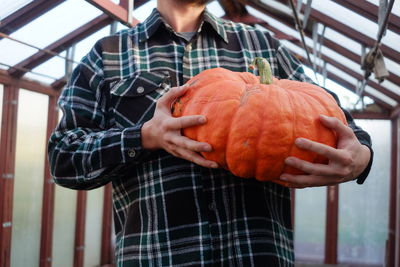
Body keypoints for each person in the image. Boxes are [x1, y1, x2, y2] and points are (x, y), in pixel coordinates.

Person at [48, 0, 373, 265]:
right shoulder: (109, 54)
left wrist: (360, 157)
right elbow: (64, 157)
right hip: (157, 258)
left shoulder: (262, 46)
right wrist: (145, 137)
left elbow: (340, 126)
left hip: (258, 256)